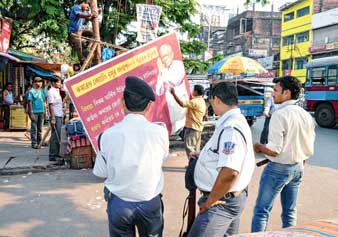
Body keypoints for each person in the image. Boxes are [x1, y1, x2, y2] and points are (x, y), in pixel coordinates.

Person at [93, 76, 169, 237]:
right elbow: (162, 158)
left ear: (122, 102)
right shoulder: (160, 132)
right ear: (149, 105)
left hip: (120, 204)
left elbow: (100, 172)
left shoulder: (107, 135)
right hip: (150, 201)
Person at [188, 82, 255, 237]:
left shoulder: (231, 128)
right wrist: (203, 156)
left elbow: (230, 172)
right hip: (228, 197)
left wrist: (209, 202)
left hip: (221, 201)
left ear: (216, 99)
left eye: (211, 102)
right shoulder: (232, 121)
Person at [251, 76, 316, 232]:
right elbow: (308, 142)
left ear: (286, 93)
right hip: (298, 166)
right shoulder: (305, 115)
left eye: (276, 90)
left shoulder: (280, 115)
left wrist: (258, 147)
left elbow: (274, 150)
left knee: (261, 211)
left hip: (278, 168)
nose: (273, 94)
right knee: (290, 211)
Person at [155, 44, 189, 134]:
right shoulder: (163, 70)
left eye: (166, 55)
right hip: (170, 111)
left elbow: (174, 81)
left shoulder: (179, 65)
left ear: (172, 54)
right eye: (162, 57)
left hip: (181, 109)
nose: (164, 59)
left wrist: (162, 72)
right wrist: (160, 73)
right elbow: (158, 91)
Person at [170, 85, 206, 158]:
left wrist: (173, 93)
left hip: (192, 128)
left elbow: (182, 104)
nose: (192, 91)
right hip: (198, 128)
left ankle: (192, 165)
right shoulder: (201, 100)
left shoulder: (195, 102)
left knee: (190, 147)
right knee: (196, 149)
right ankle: (194, 165)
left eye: (193, 90)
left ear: (196, 92)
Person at [68, 0, 95, 64]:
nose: (87, 9)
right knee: (79, 47)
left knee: (94, 34)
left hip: (80, 30)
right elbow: (80, 15)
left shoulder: (84, 11)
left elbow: (89, 18)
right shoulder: (76, 7)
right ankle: (82, 60)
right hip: (74, 31)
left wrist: (96, 13)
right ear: (83, 3)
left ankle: (87, 48)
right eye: (87, 7)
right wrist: (89, 15)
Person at [27, 77, 48, 149]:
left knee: (40, 128)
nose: (39, 83)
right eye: (37, 82)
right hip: (34, 112)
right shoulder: (31, 91)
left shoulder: (43, 91)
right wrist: (31, 112)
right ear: (34, 82)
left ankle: (40, 142)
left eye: (40, 82)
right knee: (34, 128)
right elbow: (29, 102)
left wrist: (46, 112)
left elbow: (45, 101)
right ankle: (34, 143)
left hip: (41, 111)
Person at [48, 78, 64, 162]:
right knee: (55, 136)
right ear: (53, 83)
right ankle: (52, 155)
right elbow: (50, 105)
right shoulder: (51, 92)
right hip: (55, 116)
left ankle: (57, 153)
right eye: (58, 82)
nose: (59, 84)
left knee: (58, 135)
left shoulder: (57, 91)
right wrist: (53, 118)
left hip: (59, 115)